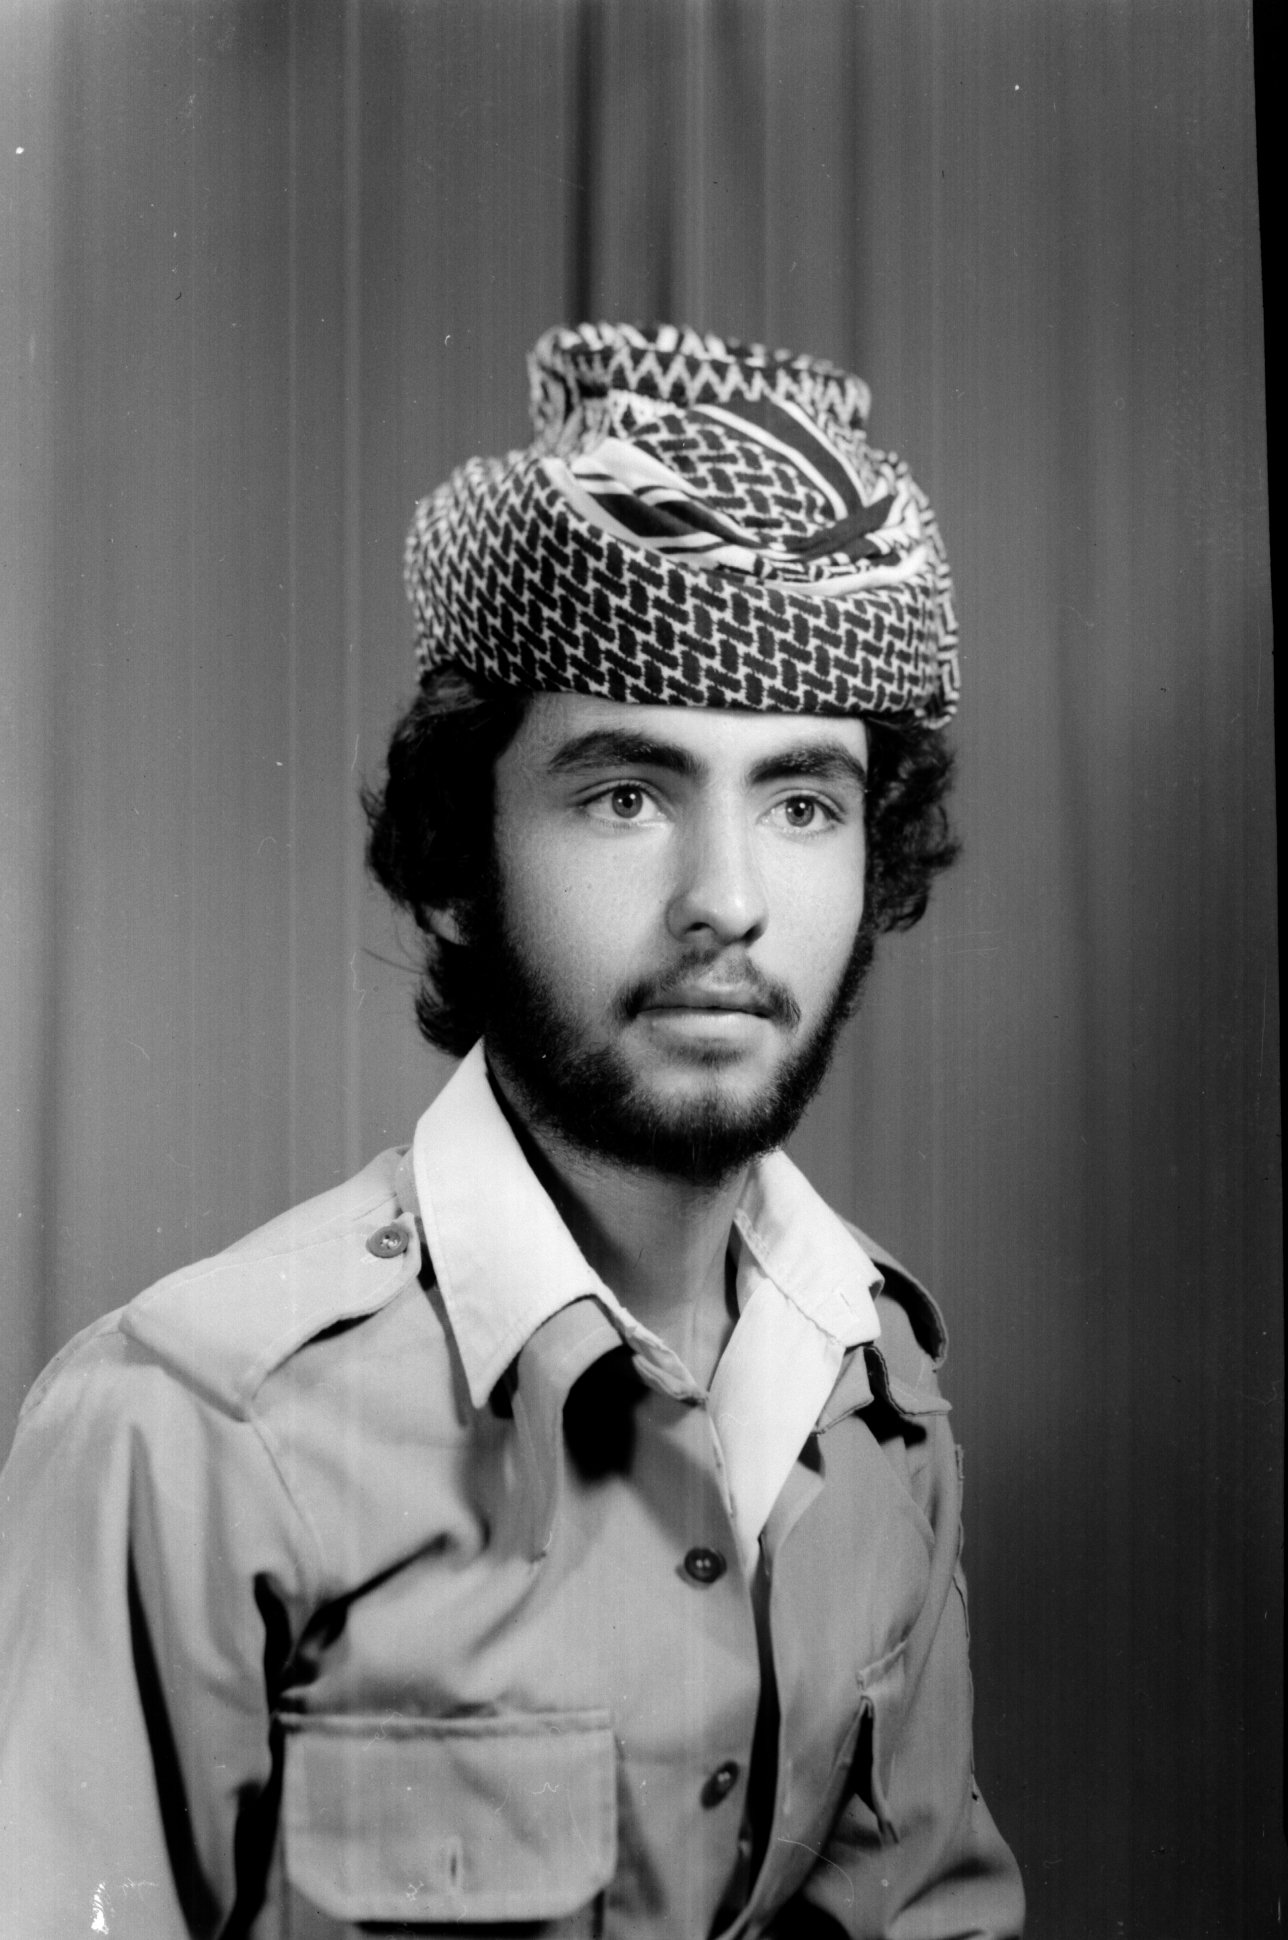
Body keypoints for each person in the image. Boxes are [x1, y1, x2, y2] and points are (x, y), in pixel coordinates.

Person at [0, 322, 1024, 1937]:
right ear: (459, 857)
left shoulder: (883, 1392)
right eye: (627, 795)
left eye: (801, 802)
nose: (728, 901)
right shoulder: (181, 1435)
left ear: (870, 853)